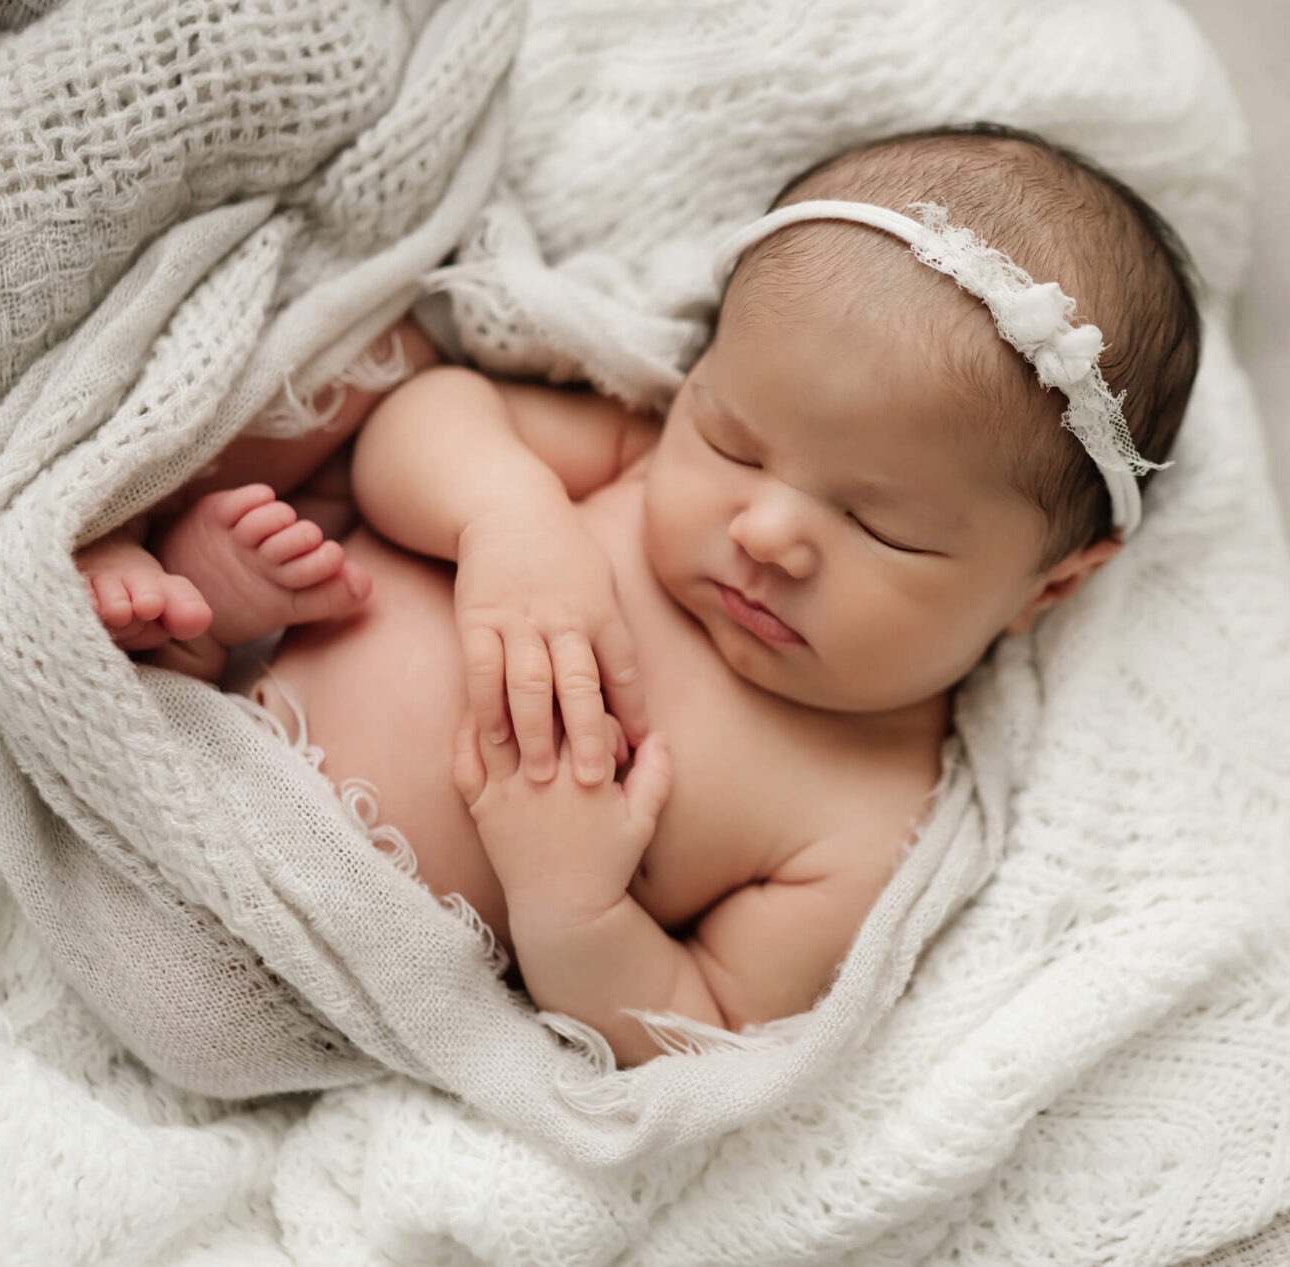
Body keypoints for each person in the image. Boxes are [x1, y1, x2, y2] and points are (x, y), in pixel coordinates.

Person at [75, 124, 1201, 1067]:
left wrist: (572, 901)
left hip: (323, 964)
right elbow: (430, 413)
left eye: (879, 526)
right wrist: (508, 515)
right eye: (733, 440)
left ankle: (191, 616)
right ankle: (194, 608)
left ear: (1044, 588)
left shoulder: (864, 818)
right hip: (202, 731)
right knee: (360, 376)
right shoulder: (631, 454)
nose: (766, 531)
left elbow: (693, 1030)